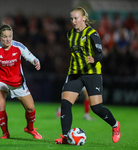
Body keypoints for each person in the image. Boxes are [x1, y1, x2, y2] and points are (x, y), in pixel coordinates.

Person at [54, 7, 120, 144]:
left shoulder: (92, 33)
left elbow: (99, 53)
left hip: (92, 73)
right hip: (74, 73)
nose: (73, 21)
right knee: (65, 103)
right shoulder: (70, 34)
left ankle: (115, 125)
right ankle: (66, 137)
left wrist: (93, 59)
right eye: (71, 19)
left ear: (84, 18)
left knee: (96, 108)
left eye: (76, 18)